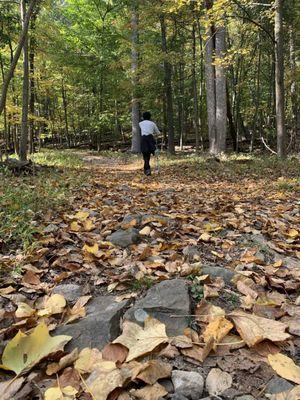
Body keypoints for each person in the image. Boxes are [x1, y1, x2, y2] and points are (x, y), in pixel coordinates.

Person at [139, 111, 160, 176]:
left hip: (143, 140)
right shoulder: (152, 123)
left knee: (145, 155)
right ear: (150, 117)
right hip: (150, 139)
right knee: (154, 153)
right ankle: (152, 168)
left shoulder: (140, 123)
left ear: (143, 117)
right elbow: (158, 133)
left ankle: (147, 170)